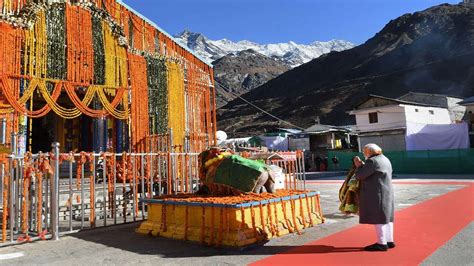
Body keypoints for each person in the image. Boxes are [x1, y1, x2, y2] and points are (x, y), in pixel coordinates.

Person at [354, 143, 395, 252]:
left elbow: (360, 176)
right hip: (387, 191)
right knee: (387, 217)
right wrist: (364, 166)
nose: (364, 154)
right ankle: (389, 240)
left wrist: (358, 166)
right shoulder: (385, 159)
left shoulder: (372, 161)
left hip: (377, 193)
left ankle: (381, 243)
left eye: (364, 152)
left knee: (379, 217)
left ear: (369, 152)